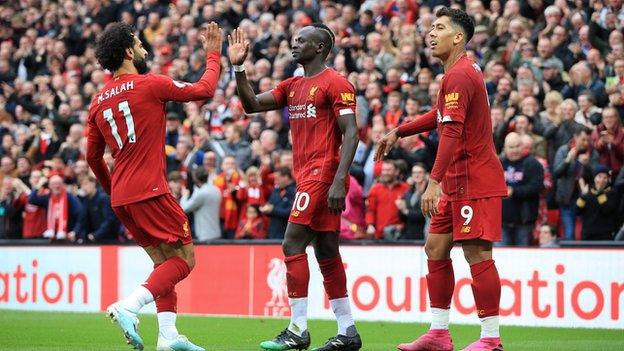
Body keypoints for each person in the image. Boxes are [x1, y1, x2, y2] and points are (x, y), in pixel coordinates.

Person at [376, 8, 507, 351]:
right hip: (457, 180)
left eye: (439, 28)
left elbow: (451, 132)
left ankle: (491, 339)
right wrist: (399, 131)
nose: (430, 33)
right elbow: (440, 116)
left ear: (458, 37)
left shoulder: (460, 75)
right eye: (430, 27)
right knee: (435, 248)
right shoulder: (457, 74)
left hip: (474, 180)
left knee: (477, 254)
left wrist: (433, 182)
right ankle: (438, 333)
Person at [86, 22, 222, 351]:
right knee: (184, 260)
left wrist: (115, 190)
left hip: (123, 197)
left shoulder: (97, 103)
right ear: (129, 52)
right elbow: (203, 90)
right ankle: (129, 306)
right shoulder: (150, 84)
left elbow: (93, 159)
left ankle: (169, 337)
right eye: (140, 45)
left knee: (164, 263)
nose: (146, 50)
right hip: (150, 190)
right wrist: (213, 55)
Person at [228, 23, 362, 350]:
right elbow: (251, 105)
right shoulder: (293, 85)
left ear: (319, 48)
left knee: (292, 244)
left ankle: (297, 329)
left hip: (322, 173)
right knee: (327, 251)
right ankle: (348, 332)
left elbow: (352, 131)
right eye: (294, 38)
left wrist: (340, 180)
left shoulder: (336, 83)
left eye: (302, 40)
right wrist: (239, 68)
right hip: (306, 174)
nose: (294, 43)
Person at [500, 133, 544, 246]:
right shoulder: (499, 163)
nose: (514, 150)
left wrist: (515, 191)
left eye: (517, 146)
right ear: (505, 148)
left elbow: (537, 187)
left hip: (524, 222)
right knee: (501, 258)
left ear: (523, 146)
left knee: (523, 258)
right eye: (511, 147)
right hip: (501, 222)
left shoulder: (533, 164)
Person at [365, 160, 410, 240]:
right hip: (379, 235)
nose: (385, 173)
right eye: (384, 170)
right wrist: (370, 225)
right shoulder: (375, 189)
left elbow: (409, 210)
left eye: (389, 170)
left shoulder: (406, 188)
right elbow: (370, 210)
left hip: (400, 234)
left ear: (396, 172)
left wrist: (403, 224)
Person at [576, 165, 620, 240]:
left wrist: (599, 193)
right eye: (599, 176)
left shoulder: (612, 193)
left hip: (605, 234)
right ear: (594, 178)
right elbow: (578, 211)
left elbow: (607, 210)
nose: (602, 180)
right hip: (588, 234)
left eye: (605, 177)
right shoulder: (587, 192)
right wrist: (583, 196)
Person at [75, 175, 120, 243]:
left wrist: (96, 235)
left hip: (109, 239)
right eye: (81, 185)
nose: (83, 188)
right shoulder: (85, 200)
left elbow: (109, 220)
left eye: (85, 184)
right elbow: (82, 220)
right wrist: (75, 232)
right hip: (94, 238)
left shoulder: (103, 198)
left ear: (93, 183)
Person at [180, 167, 222, 242]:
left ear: (195, 178)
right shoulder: (216, 189)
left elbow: (184, 208)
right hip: (216, 233)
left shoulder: (201, 193)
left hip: (205, 235)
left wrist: (184, 195)